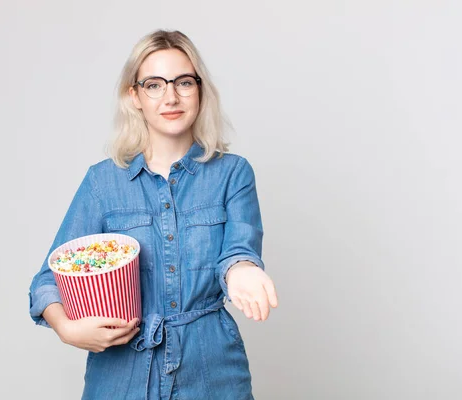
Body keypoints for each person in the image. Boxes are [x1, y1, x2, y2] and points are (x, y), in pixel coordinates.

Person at [28, 29, 278, 400]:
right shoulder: (102, 182)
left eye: (183, 82)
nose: (171, 97)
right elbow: (48, 278)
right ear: (135, 96)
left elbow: (238, 250)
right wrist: (66, 328)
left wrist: (242, 270)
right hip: (120, 376)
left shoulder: (233, 173)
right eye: (154, 85)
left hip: (212, 370)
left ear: (200, 90)